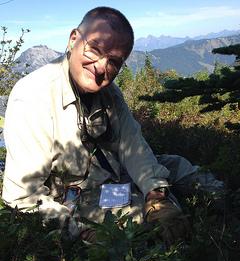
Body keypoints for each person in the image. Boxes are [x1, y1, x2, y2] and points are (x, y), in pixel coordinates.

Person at [2, 7, 224, 244]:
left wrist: (156, 193)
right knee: (139, 214)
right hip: (75, 194)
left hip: (114, 171)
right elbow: (22, 197)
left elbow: (133, 145)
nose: (101, 67)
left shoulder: (109, 93)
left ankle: (226, 208)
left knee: (181, 168)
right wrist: (79, 231)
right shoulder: (34, 96)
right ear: (73, 39)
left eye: (114, 61)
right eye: (95, 50)